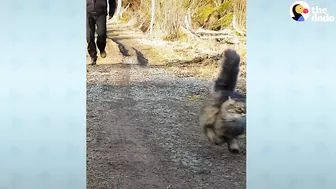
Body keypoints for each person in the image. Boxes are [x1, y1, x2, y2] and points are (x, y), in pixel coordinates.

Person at [87, 0, 117, 65]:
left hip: (101, 13)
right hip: (87, 13)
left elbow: (112, 1)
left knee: (102, 34)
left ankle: (101, 48)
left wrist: (111, 11)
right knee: (89, 36)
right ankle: (93, 56)